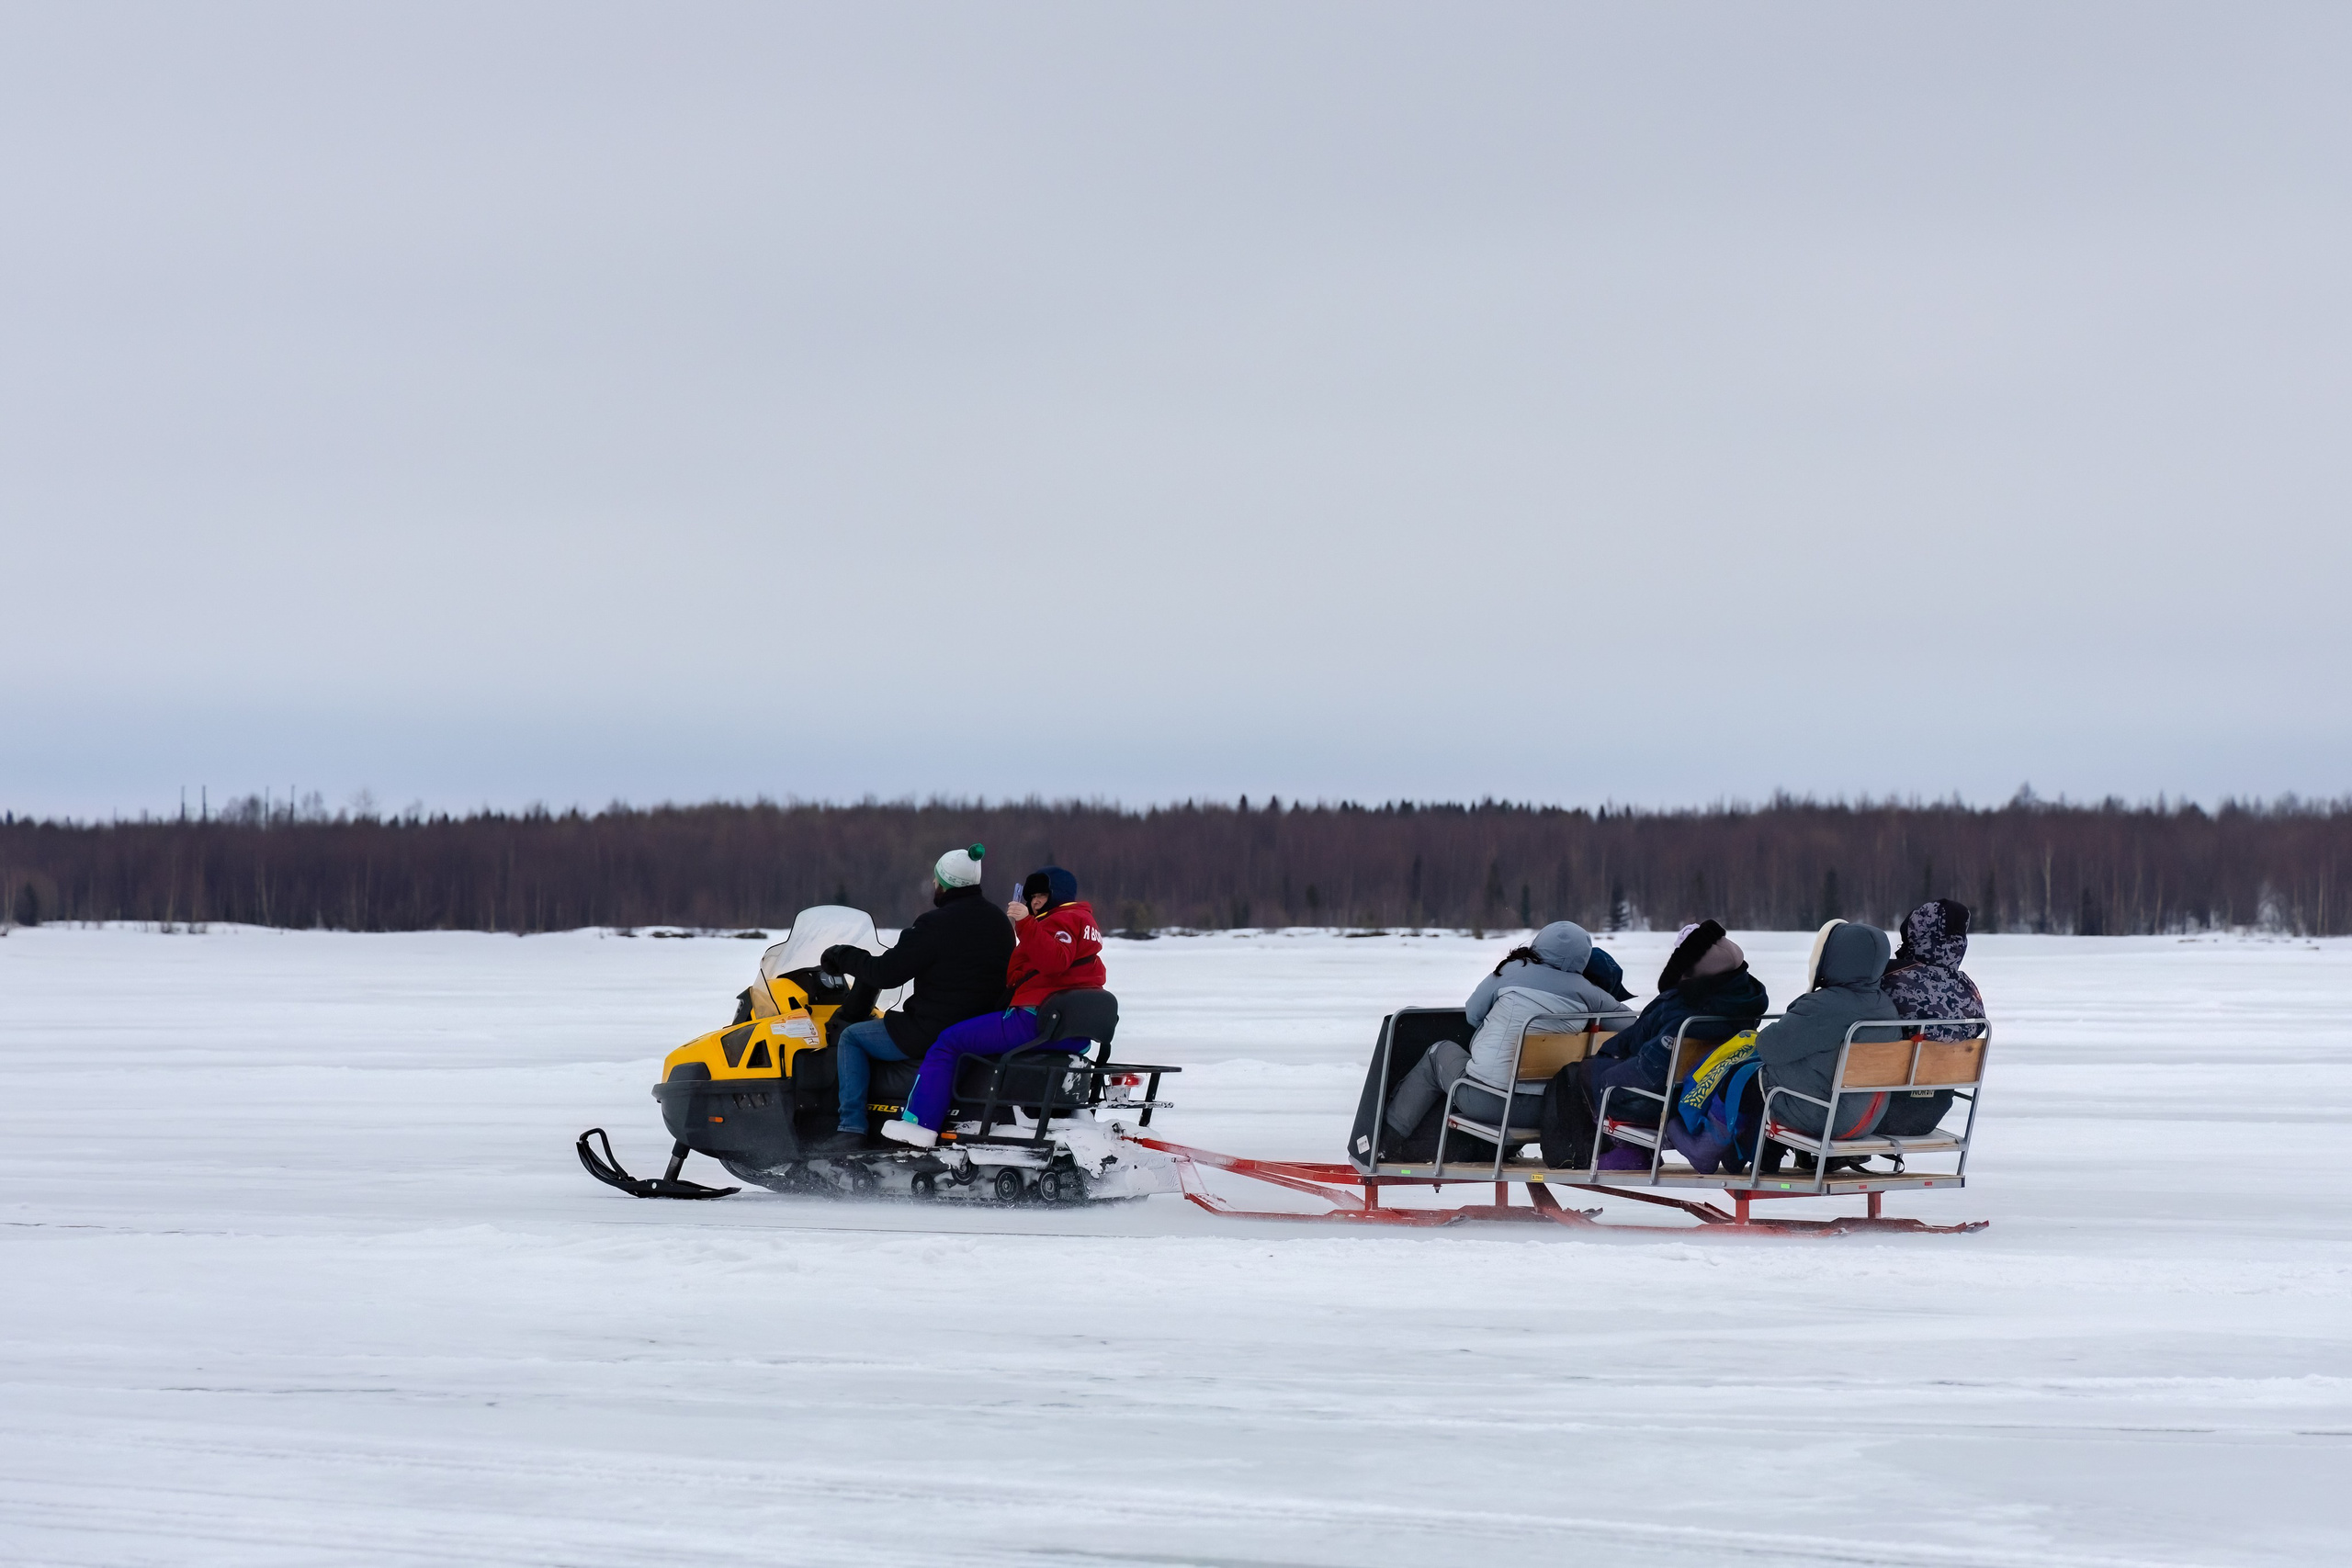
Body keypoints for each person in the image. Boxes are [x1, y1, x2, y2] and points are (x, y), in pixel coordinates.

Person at [880, 865, 1106, 1148]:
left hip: (1035, 1020)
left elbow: (1055, 961)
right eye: (1031, 896)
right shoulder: (1085, 923)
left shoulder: (1059, 921)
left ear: (1057, 895)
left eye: (1041, 896)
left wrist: (1026, 925)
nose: (1034, 903)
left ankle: (920, 1124)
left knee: (949, 1041)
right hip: (1069, 1030)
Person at [809, 844, 1015, 1155]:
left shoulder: (935, 925)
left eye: (936, 880)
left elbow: (885, 973)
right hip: (979, 1028)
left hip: (931, 1029)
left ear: (943, 882)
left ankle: (850, 1128)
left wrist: (844, 956)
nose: (934, 885)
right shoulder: (1000, 923)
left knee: (852, 1037)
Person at [1381, 921, 1634, 1151]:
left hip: (1485, 1101)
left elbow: (1473, 1013)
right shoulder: (1591, 994)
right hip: (1543, 1109)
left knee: (1439, 1052)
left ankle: (1387, 1141)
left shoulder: (1512, 971)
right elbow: (1632, 1025)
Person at [1546, 919, 1771, 1169]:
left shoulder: (1681, 1007)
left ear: (1690, 967)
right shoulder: (1743, 1003)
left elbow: (1649, 1068)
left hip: (1664, 1098)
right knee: (1608, 1071)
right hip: (1699, 1094)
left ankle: (1574, 1156)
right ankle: (1627, 1148)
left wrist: (1604, 1068)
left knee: (1576, 1075)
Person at [1753, 919, 1903, 1160]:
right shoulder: (1885, 1006)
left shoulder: (1825, 1005)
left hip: (1826, 1117)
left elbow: (1770, 1047)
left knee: (1750, 1078)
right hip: (1866, 1119)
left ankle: (1749, 1156)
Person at [1875, 898, 1986, 1137]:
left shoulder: (1890, 978)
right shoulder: (1968, 990)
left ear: (1917, 933)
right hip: (1930, 1113)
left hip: (1876, 1110)